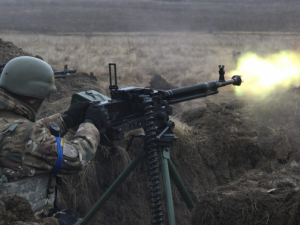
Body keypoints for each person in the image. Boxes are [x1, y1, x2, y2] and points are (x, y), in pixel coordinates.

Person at [0, 56, 108, 224]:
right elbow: (76, 157)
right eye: (45, 97)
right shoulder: (27, 134)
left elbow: (20, 134)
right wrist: (91, 124)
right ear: (32, 99)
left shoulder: (7, 120)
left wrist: (65, 120)